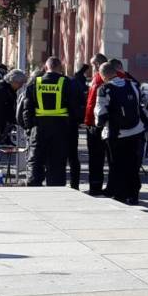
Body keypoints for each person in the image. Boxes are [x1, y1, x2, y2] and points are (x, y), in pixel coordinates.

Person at [20, 58, 84, 187]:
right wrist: (75, 123)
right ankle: (56, 189)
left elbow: (27, 109)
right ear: (60, 68)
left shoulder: (35, 82)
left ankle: (33, 185)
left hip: (39, 128)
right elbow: (74, 106)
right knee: (57, 161)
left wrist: (29, 127)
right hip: (60, 128)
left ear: (45, 67)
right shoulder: (67, 83)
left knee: (36, 159)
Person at [94, 59, 146, 205]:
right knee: (133, 164)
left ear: (103, 75)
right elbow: (145, 103)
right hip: (136, 130)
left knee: (116, 164)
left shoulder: (104, 89)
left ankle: (120, 194)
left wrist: (99, 126)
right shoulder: (132, 85)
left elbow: (100, 112)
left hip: (115, 134)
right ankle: (133, 194)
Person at [82, 52, 110, 195]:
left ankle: (95, 186)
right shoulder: (101, 78)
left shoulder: (99, 79)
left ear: (98, 64)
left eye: (93, 65)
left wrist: (88, 121)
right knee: (104, 157)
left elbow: (92, 104)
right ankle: (106, 186)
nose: (92, 68)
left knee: (96, 157)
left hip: (96, 123)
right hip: (100, 123)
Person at [68, 62, 93, 189]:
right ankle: (75, 185)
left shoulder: (70, 84)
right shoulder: (80, 87)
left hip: (63, 125)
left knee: (63, 157)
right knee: (73, 157)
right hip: (72, 125)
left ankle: (61, 184)